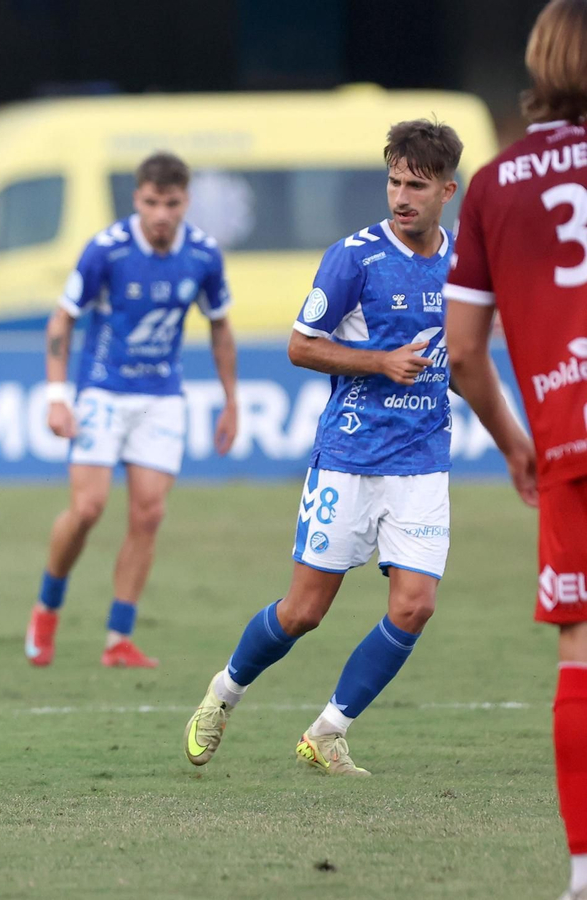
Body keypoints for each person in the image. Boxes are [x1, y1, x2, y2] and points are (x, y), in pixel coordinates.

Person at [183, 120, 464, 776]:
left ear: (446, 190)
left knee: (416, 605)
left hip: (423, 459)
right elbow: (300, 344)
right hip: (350, 456)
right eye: (394, 181)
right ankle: (223, 694)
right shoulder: (354, 257)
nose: (401, 195)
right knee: (303, 611)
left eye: (416, 186)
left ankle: (328, 732)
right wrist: (379, 362)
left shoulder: (464, 260)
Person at [443, 2, 587, 895]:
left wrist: (516, 444)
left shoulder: (496, 185)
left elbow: (462, 352)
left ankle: (582, 868)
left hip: (568, 442)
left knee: (581, 654)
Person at [25, 152, 238, 669]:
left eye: (171, 203)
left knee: (149, 514)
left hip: (162, 397)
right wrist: (58, 398)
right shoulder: (107, 251)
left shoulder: (204, 255)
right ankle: (47, 608)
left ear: (185, 201)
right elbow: (61, 321)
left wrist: (232, 400)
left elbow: (219, 325)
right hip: (103, 392)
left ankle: (118, 638)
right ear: (137, 199)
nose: (161, 213)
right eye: (150, 202)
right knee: (88, 509)